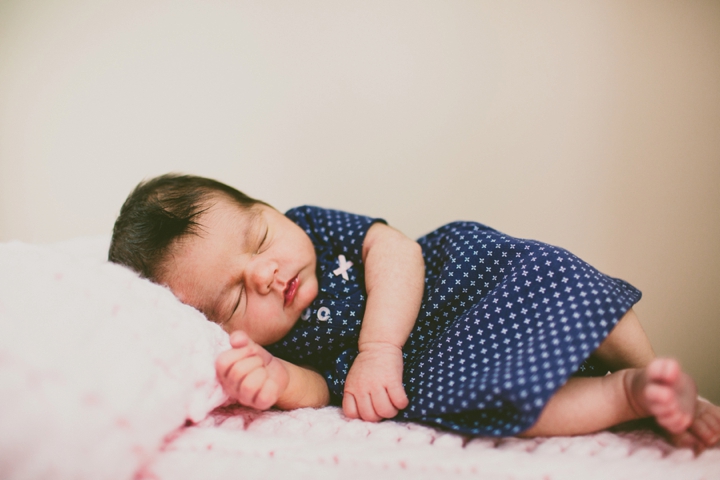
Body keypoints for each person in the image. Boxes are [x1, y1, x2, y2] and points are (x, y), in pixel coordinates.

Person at [109, 174, 720, 452]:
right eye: (236, 297)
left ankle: (647, 364)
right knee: (499, 405)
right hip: (433, 365)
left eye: (260, 236)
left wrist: (379, 348)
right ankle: (633, 396)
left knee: (556, 274)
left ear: (272, 207)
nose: (265, 273)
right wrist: (275, 382)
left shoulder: (317, 228)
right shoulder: (278, 347)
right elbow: (322, 389)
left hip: (457, 284)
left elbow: (395, 246)